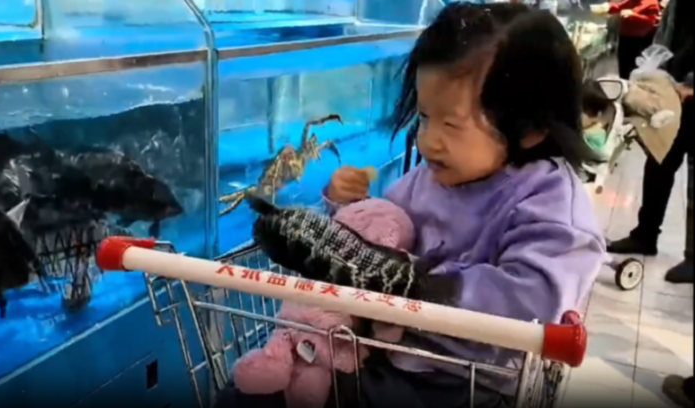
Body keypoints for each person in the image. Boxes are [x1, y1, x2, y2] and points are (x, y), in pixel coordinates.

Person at [216, 4, 605, 408]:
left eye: (450, 124)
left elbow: (539, 299)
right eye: (423, 118)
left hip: (463, 383)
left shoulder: (551, 201)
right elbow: (382, 239)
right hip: (384, 354)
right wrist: (346, 209)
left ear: (530, 127)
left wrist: (412, 282)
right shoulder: (434, 175)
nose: (427, 141)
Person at [605, 0, 693, 284]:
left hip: (688, 89)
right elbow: (668, 35)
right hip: (673, 87)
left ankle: (693, 257)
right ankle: (645, 235)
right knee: (660, 157)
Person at [590, 0, 661, 79]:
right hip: (624, 37)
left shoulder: (651, 3)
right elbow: (620, 7)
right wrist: (606, 7)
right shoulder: (634, 1)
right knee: (623, 65)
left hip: (638, 40)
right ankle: (624, 82)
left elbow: (651, 22)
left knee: (634, 67)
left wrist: (633, 15)